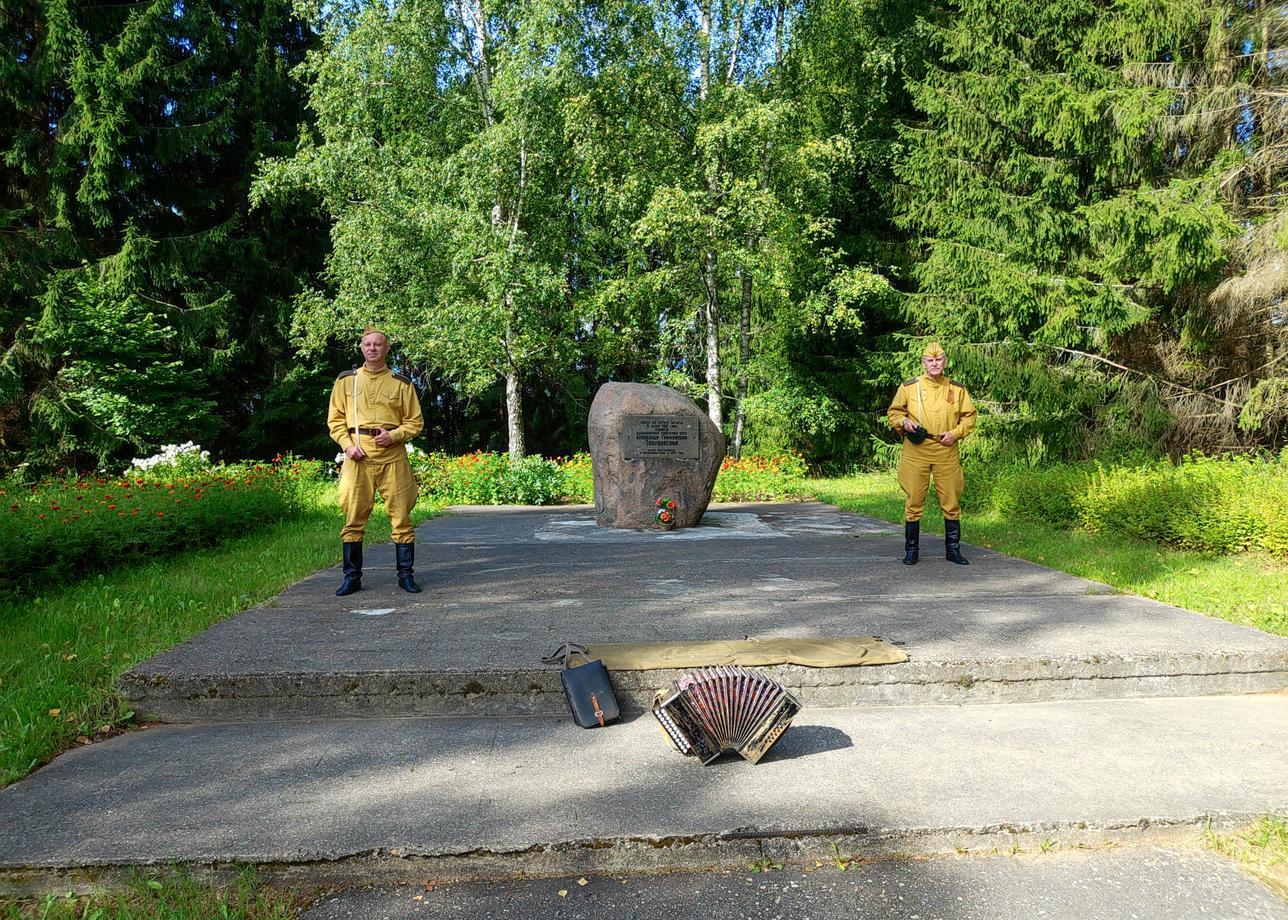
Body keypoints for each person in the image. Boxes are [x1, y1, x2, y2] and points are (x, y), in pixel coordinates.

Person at [327, 328, 425, 595]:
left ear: (386, 348)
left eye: (378, 344)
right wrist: (348, 446)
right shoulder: (346, 381)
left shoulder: (401, 383)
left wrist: (394, 435)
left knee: (402, 517)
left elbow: (415, 422)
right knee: (353, 517)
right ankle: (352, 578)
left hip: (393, 457)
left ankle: (406, 576)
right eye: (368, 344)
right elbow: (335, 421)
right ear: (361, 348)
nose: (373, 348)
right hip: (358, 457)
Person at [886, 342, 977, 566]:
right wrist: (904, 422)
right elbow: (894, 413)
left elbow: (969, 417)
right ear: (923, 363)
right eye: (930, 360)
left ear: (945, 362)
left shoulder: (957, 389)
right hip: (917, 450)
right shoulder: (909, 387)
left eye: (939, 360)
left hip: (946, 449)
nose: (935, 364)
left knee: (951, 498)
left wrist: (955, 434)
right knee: (914, 498)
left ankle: (953, 549)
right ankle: (911, 550)